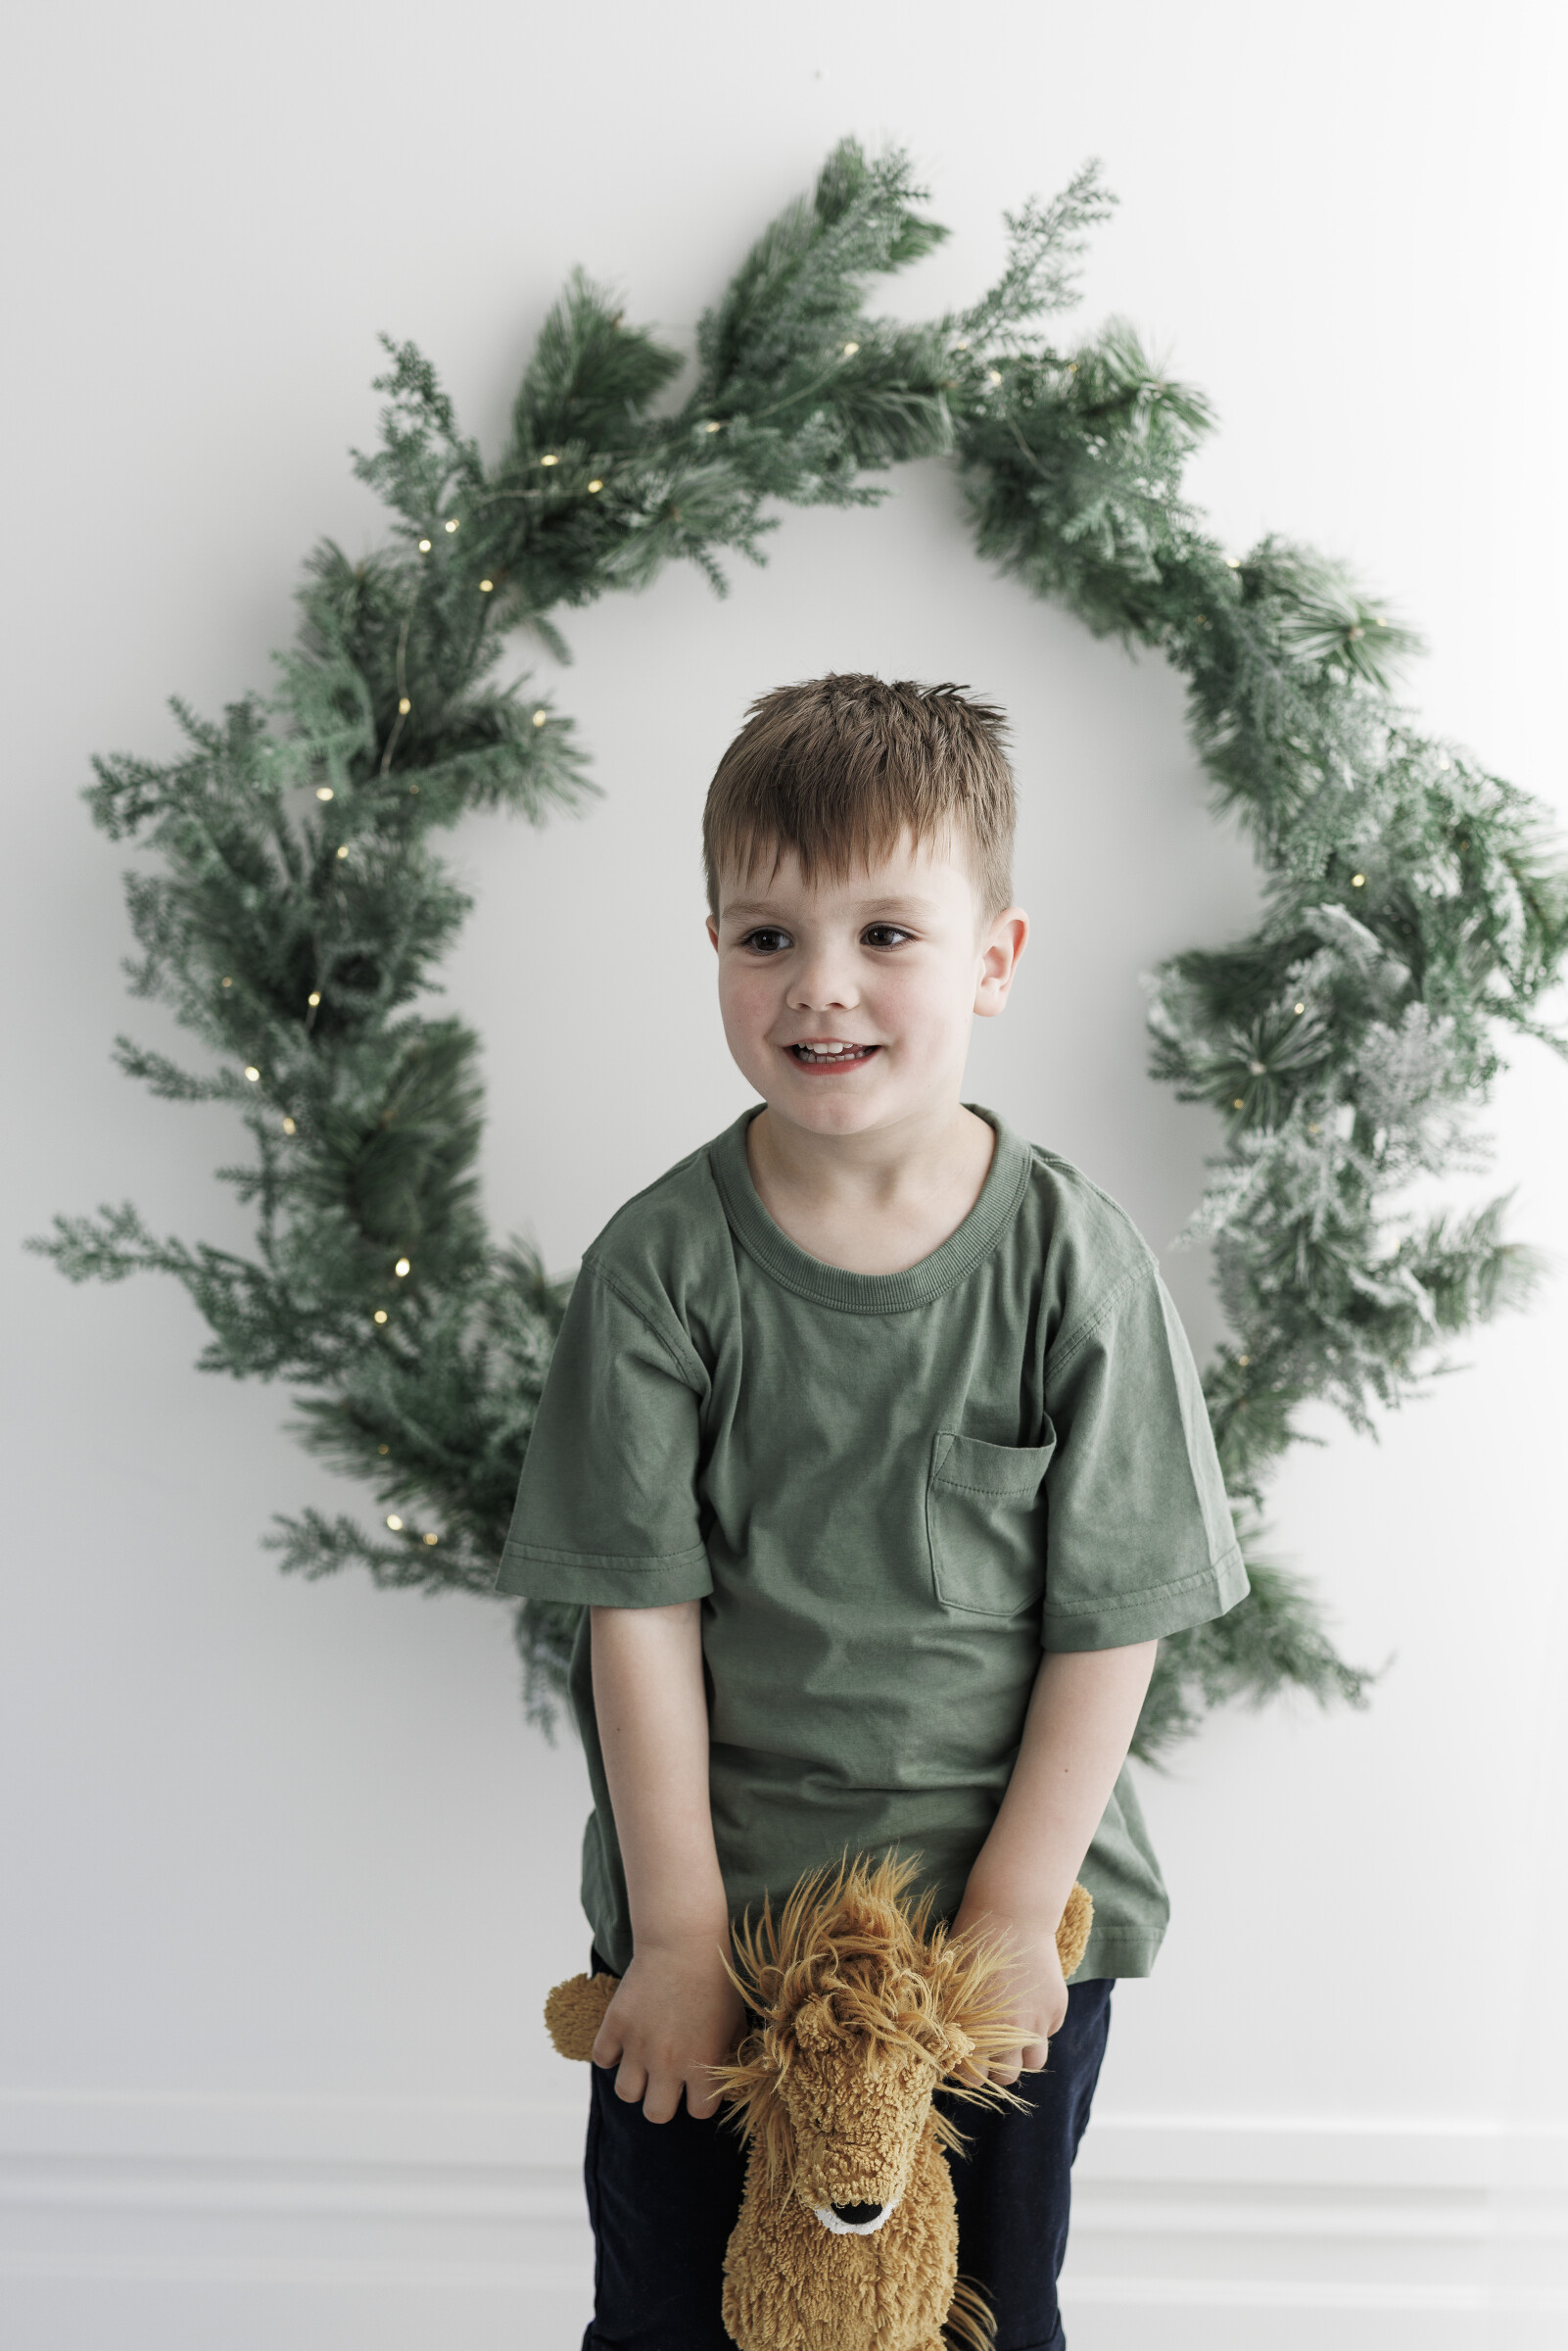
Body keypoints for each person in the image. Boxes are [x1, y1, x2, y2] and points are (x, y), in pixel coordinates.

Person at [493, 674, 1247, 2350]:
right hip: (722, 1928)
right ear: (711, 945)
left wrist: (1012, 1917)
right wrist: (677, 1935)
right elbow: (637, 1620)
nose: (819, 985)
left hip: (991, 1946)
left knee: (975, 2316)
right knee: (675, 2314)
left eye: (885, 934)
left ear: (993, 956)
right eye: (765, 936)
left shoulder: (1073, 1265)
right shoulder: (660, 1269)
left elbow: (1109, 1622)